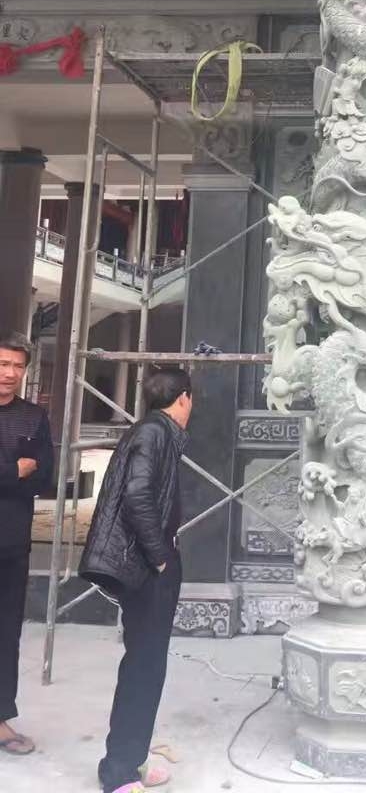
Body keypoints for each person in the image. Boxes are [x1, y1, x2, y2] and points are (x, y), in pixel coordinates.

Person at [80, 367, 192, 793]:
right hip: (148, 567)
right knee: (143, 666)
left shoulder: (155, 432)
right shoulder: (154, 433)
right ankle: (118, 771)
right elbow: (136, 496)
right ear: (184, 398)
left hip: (152, 562)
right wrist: (160, 557)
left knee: (149, 664)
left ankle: (134, 757)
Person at [0, 331, 54, 757]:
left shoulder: (34, 417)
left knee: (5, 634)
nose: (10, 373)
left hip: (11, 542)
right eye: (3, 364)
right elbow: (20, 474)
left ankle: (0, 719)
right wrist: (11, 471)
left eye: (18, 366)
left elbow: (44, 476)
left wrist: (23, 474)